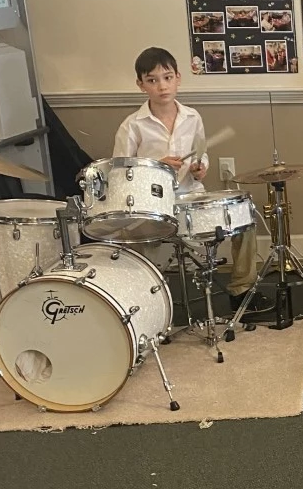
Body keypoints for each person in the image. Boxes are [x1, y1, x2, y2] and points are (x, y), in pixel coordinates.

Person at [113, 48, 272, 317]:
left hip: (191, 197)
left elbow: (201, 153)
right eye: (152, 80)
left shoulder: (192, 117)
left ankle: (242, 291)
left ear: (178, 78)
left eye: (167, 77)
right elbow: (120, 175)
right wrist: (157, 167)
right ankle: (144, 305)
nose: (162, 86)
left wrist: (200, 168)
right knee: (133, 241)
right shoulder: (132, 126)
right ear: (141, 85)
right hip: (154, 206)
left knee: (243, 216)